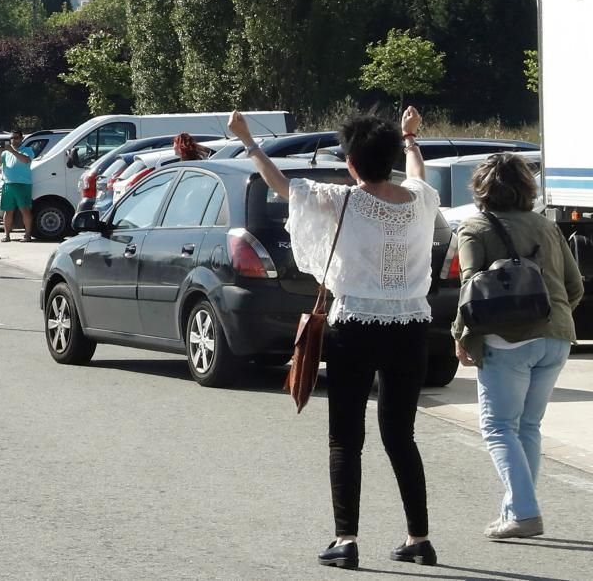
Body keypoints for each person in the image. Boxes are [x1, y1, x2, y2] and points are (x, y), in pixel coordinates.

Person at [228, 107, 440, 569]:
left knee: (346, 437)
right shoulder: (420, 201)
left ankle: (346, 540)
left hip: (356, 326)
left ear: (351, 162)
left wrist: (248, 140)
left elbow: (281, 185)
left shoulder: (341, 200)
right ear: (389, 158)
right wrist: (410, 138)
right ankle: (419, 539)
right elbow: (418, 174)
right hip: (411, 327)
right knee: (401, 436)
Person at [452, 153, 583, 539]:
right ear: (528, 187)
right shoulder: (546, 226)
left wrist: (462, 336)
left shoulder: (474, 227)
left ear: (481, 188)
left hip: (506, 341)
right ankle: (514, 510)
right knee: (527, 425)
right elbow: (575, 287)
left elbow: (471, 289)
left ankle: (525, 512)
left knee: (496, 427)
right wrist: (548, 317)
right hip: (557, 336)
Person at [0, 130, 35, 242]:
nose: (13, 140)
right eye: (12, 138)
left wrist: (12, 151)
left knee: (25, 210)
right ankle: (7, 235)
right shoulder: (5, 153)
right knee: (8, 211)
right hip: (8, 184)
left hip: (22, 184)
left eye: (16, 138)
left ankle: (27, 235)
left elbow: (26, 160)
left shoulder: (27, 150)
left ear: (21, 139)